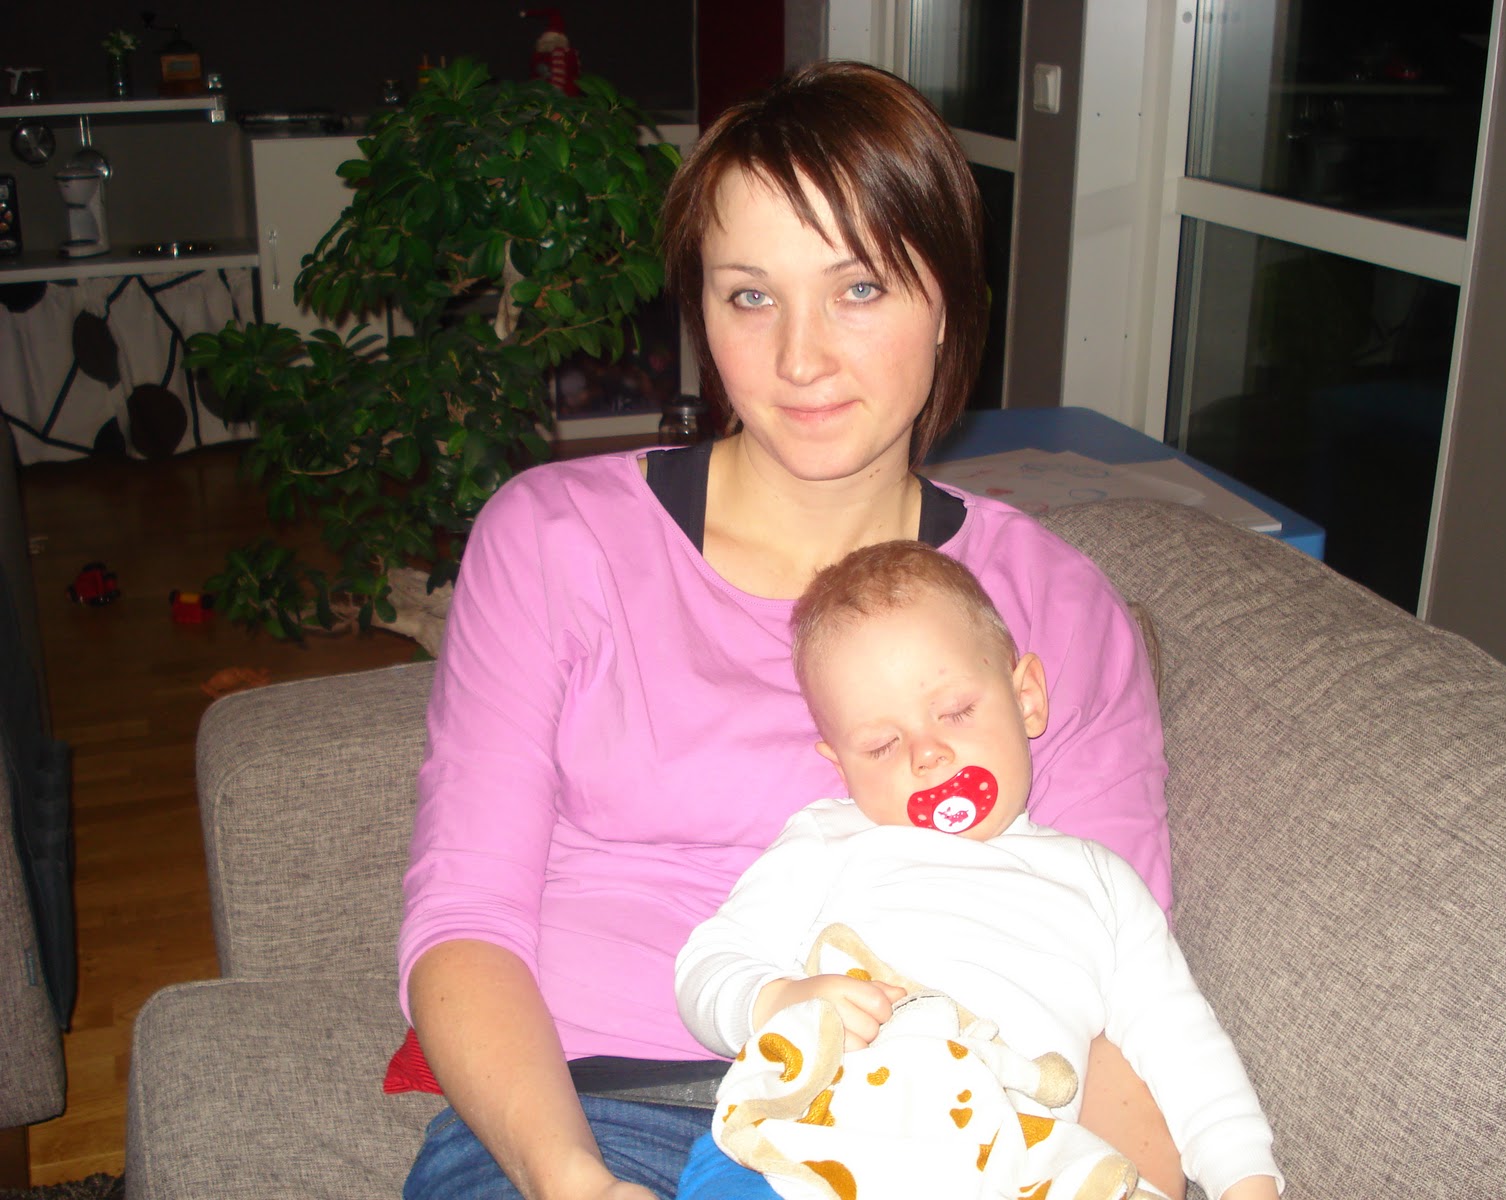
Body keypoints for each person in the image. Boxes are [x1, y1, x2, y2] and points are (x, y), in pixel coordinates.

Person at [398, 60, 1178, 1200]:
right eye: (749, 297)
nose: (800, 359)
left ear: (948, 300)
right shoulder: (558, 539)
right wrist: (569, 1178)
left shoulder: (1054, 606)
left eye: (857, 288)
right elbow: (465, 917)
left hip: (933, 1137)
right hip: (603, 1112)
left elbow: (1118, 989)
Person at [673, 542, 1282, 1200]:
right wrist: (773, 1000)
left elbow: (1181, 1045)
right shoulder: (831, 839)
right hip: (810, 1142)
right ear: (842, 766)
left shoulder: (1100, 884)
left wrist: (1245, 1181)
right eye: (881, 745)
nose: (928, 754)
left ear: (1027, 698)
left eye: (956, 712)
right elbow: (709, 962)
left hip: (1003, 1167)